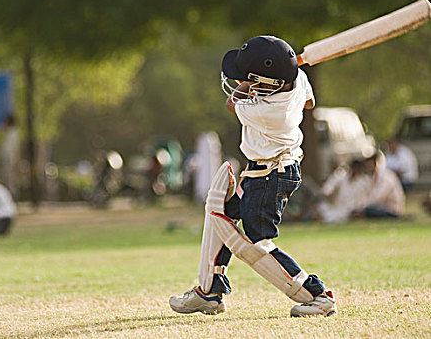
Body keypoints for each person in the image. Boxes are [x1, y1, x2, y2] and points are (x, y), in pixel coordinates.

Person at [169, 36, 336, 318]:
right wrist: (278, 74)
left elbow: (231, 102)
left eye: (249, 78)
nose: (241, 81)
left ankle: (316, 295)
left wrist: (251, 86)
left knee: (257, 242)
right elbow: (308, 102)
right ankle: (209, 292)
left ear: (268, 83)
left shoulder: (266, 111)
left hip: (271, 175)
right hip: (266, 170)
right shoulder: (298, 78)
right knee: (219, 212)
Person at [353, 152, 405, 219]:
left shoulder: (387, 176)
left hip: (392, 212)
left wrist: (361, 207)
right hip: (378, 209)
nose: (366, 165)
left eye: (368, 162)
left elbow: (378, 197)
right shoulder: (369, 178)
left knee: (366, 211)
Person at [317, 159, 370, 223]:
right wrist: (331, 193)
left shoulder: (364, 182)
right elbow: (326, 191)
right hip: (334, 208)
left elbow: (363, 200)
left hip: (350, 211)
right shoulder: (340, 176)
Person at [0, 114, 21, 198]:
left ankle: (12, 196)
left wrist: (14, 160)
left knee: (10, 179)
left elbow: (14, 149)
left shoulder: (14, 133)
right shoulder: (7, 134)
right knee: (6, 178)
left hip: (10, 160)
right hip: (6, 159)